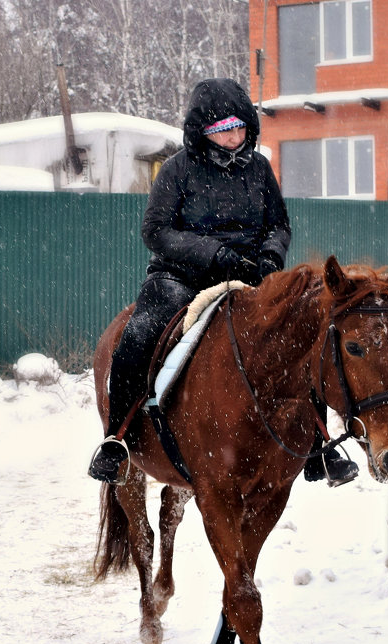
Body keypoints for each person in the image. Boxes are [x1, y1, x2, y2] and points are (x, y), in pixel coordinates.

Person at [88, 77, 358, 488]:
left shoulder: (261, 169)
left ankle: (320, 446)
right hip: (181, 277)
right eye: (223, 129)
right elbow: (156, 231)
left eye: (240, 127)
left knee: (303, 332)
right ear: (204, 133)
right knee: (139, 334)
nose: (234, 137)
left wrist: (269, 257)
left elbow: (278, 224)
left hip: (251, 275)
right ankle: (116, 441)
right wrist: (213, 254)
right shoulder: (177, 170)